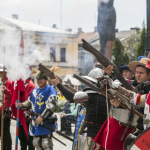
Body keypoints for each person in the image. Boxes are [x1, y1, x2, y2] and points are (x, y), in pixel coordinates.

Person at [94, 58, 150, 150]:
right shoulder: (127, 84)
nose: (138, 75)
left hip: (140, 129)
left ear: (149, 75)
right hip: (123, 127)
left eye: (141, 73)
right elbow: (113, 91)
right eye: (137, 72)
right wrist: (116, 103)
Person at [50, 68, 111, 150]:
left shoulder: (91, 94)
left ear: (91, 82)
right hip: (105, 133)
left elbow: (72, 97)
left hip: (90, 133)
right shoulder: (109, 95)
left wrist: (58, 84)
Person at [15, 72, 58, 150]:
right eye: (38, 79)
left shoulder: (50, 89)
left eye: (41, 79)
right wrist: (21, 105)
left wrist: (41, 117)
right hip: (35, 121)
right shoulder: (35, 90)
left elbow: (51, 105)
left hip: (46, 120)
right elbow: (30, 103)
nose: (39, 81)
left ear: (46, 80)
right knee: (36, 143)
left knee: (46, 144)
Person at [2, 65, 35, 150]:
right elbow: (15, 96)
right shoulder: (22, 83)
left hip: (27, 115)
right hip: (21, 114)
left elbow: (26, 100)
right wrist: (6, 91)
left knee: (28, 140)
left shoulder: (30, 85)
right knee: (22, 138)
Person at [0, 64, 12, 150]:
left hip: (5, 109)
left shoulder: (9, 82)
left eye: (1, 72)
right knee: (1, 133)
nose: (0, 74)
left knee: (5, 133)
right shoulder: (1, 81)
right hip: (1, 108)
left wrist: (6, 90)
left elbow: (12, 96)